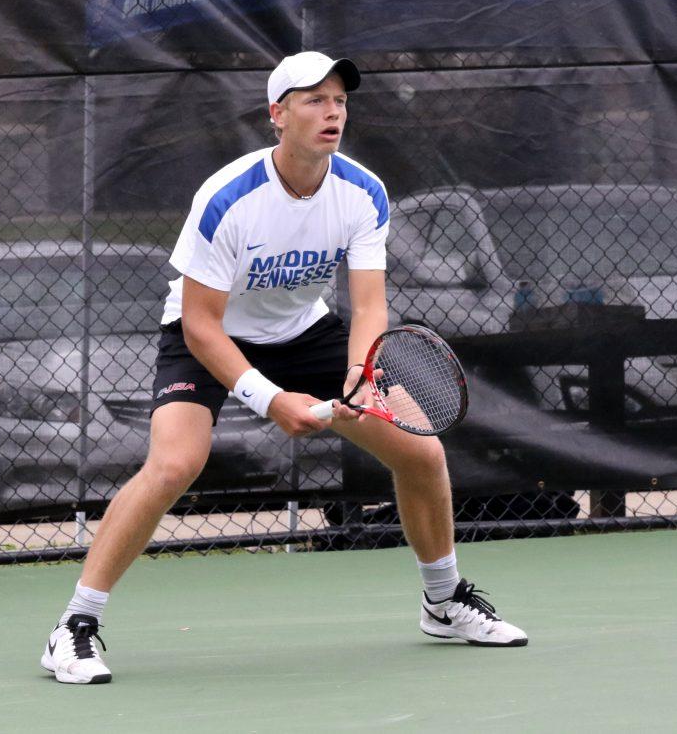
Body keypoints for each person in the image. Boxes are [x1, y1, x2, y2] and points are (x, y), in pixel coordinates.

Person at [40, 51, 528, 685]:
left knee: (421, 451)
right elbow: (200, 324)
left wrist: (360, 371)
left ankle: (443, 600)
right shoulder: (227, 199)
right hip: (207, 336)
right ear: (278, 114)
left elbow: (371, 302)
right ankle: (73, 627)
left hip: (304, 331)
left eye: (340, 101)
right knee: (173, 464)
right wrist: (271, 400)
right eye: (313, 100)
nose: (332, 112)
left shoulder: (364, 192)